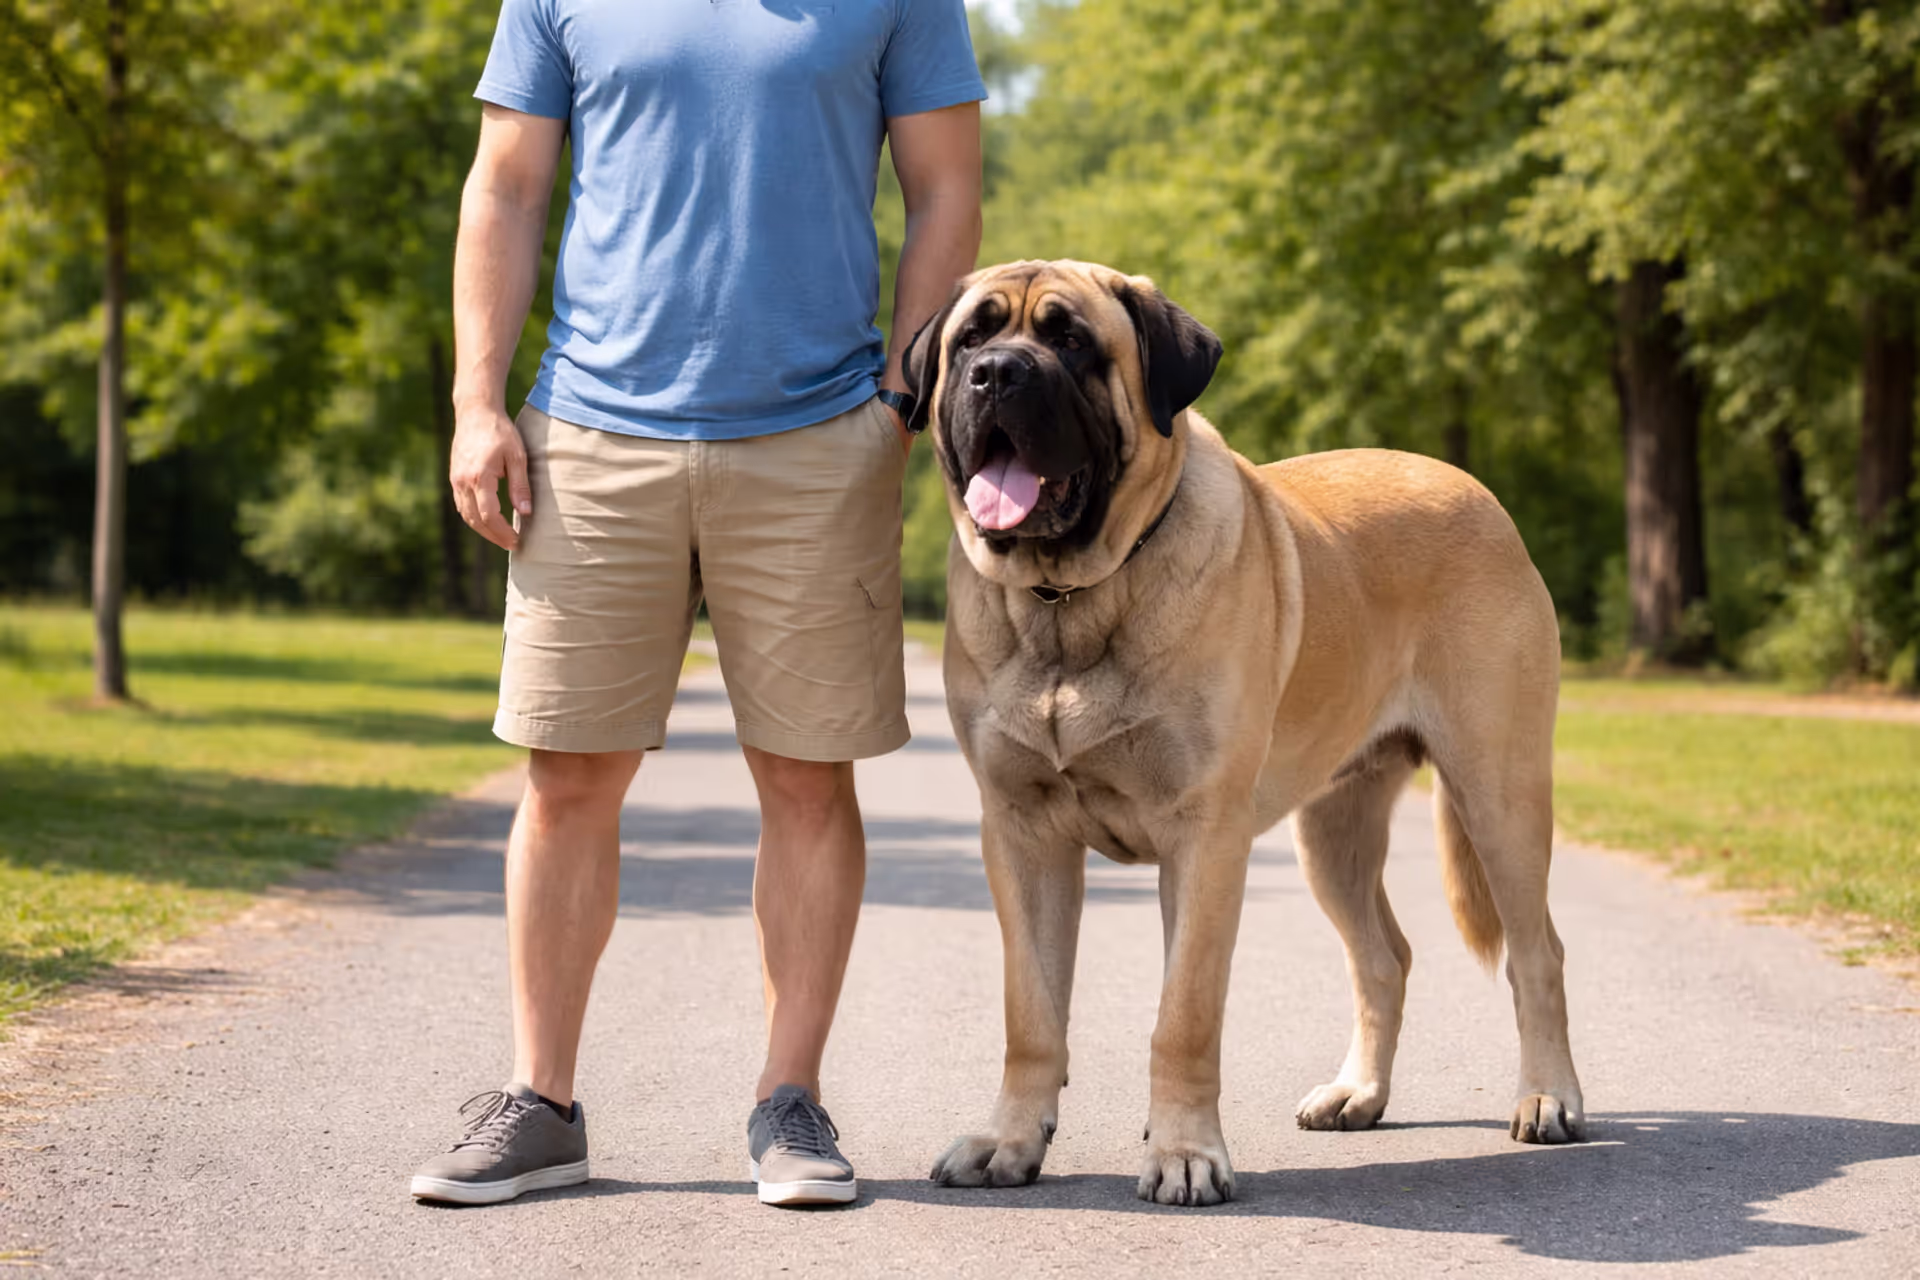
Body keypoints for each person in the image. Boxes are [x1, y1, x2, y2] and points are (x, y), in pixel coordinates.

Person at [407, 0, 984, 1209]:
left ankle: (790, 1101)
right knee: (566, 774)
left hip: (822, 433)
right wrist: (477, 401)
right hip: (593, 431)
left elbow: (945, 191)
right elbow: (504, 188)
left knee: (809, 775)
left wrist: (899, 396)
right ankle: (540, 1103)